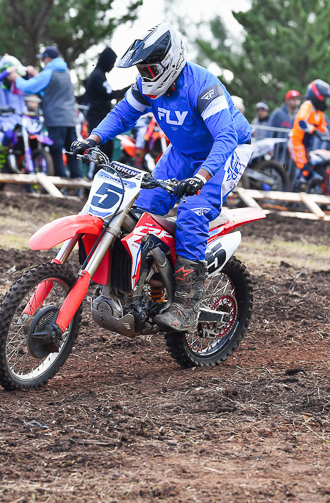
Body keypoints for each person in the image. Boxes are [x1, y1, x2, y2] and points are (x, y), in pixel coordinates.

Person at [71, 22, 253, 332]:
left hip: (225, 151)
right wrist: (94, 139)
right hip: (182, 152)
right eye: (141, 70)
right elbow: (123, 113)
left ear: (170, 62)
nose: (145, 77)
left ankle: (187, 302)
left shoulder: (203, 87)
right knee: (141, 209)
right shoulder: (147, 85)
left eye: (150, 69)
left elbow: (225, 136)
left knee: (192, 213)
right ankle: (148, 283)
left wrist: (203, 176)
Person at [7, 45, 82, 178]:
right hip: (70, 118)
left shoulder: (49, 72)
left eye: (43, 60)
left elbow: (28, 87)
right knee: (73, 152)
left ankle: (60, 182)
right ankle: (78, 184)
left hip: (56, 119)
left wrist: (16, 77)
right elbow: (49, 91)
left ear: (47, 59)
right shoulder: (65, 71)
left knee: (56, 151)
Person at [288, 79, 330, 184]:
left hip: (306, 145)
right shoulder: (308, 105)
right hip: (296, 142)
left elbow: (324, 129)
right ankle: (295, 192)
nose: (325, 100)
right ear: (317, 95)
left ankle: (307, 188)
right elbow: (301, 123)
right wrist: (314, 130)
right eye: (324, 97)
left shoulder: (319, 112)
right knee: (305, 170)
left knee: (313, 167)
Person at [84, 47, 128, 160]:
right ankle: (93, 175)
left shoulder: (100, 75)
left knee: (108, 148)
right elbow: (110, 94)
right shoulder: (97, 76)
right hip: (96, 116)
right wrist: (130, 88)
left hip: (101, 115)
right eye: (112, 62)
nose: (113, 66)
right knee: (99, 149)